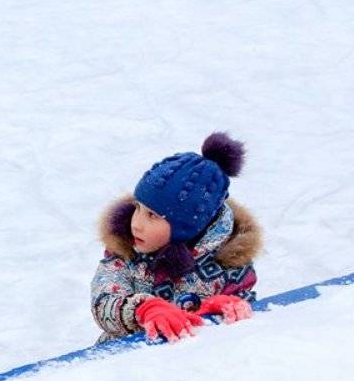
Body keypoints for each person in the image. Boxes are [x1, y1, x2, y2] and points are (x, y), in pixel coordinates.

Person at [90, 132, 263, 343]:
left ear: (187, 227)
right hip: (123, 361)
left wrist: (219, 311)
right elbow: (103, 300)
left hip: (188, 364)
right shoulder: (126, 252)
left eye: (152, 215)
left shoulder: (229, 264)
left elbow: (246, 318)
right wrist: (143, 309)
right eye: (138, 207)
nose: (136, 223)